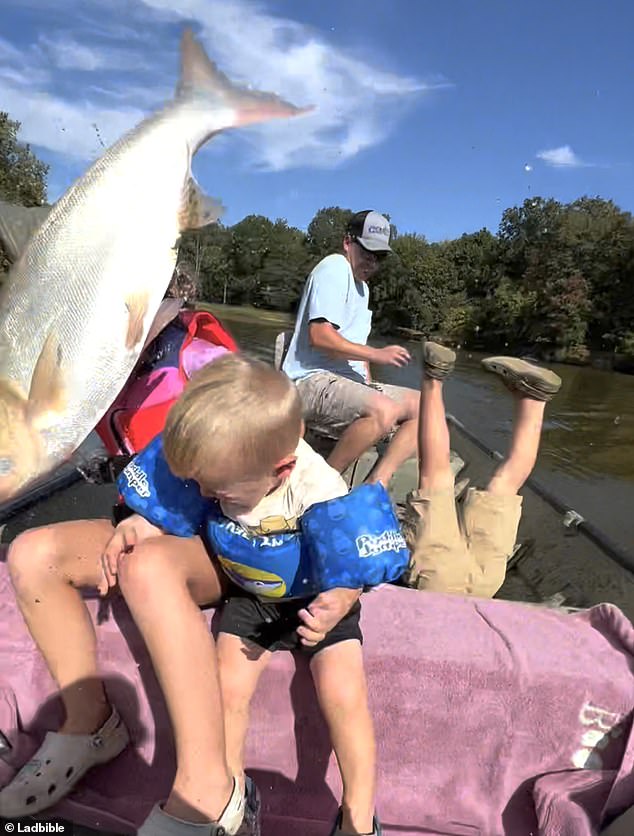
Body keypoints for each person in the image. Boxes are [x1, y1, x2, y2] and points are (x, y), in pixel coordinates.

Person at [1, 354, 406, 836]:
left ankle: (354, 817)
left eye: (220, 492)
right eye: (198, 485)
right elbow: (185, 493)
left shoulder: (317, 487)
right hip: (249, 590)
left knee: (342, 692)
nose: (207, 497)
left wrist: (339, 598)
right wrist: (141, 520)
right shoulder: (217, 467)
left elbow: (351, 557)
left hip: (307, 593)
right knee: (33, 553)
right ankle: (117, 736)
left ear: (281, 468)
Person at [402, 342, 562, 598]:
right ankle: (434, 377)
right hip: (441, 582)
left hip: (484, 583)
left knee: (506, 482)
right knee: (436, 476)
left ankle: (535, 400)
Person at [282, 210, 419, 486]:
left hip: (341, 381)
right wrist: (378, 354)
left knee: (426, 406)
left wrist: (367, 379)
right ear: (348, 242)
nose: (371, 261)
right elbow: (320, 336)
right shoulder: (334, 267)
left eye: (378, 256)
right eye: (367, 251)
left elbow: (355, 343)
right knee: (385, 410)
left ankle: (375, 485)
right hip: (309, 380)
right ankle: (320, 485)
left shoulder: (363, 289)